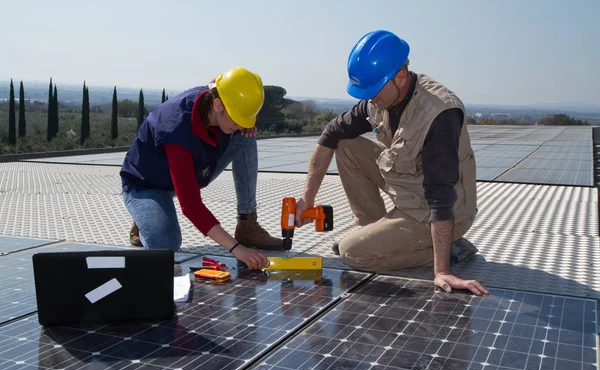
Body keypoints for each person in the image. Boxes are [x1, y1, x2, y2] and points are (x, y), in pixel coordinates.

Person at [294, 30, 488, 295]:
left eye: (373, 90)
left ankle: (449, 248)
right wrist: (308, 198)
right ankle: (372, 229)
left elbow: (441, 196)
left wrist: (441, 271)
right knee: (346, 145)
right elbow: (330, 134)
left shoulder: (439, 112)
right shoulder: (382, 99)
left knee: (352, 254)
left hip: (440, 208)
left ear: (400, 77)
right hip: (410, 187)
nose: (369, 98)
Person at [120, 67, 283, 269]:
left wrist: (243, 123)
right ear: (217, 106)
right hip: (146, 185)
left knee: (245, 137)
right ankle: (146, 213)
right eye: (237, 120)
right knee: (165, 245)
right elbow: (191, 206)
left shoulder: (218, 95)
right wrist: (236, 249)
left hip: (193, 168)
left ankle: (247, 222)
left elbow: (229, 85)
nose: (240, 125)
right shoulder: (175, 128)